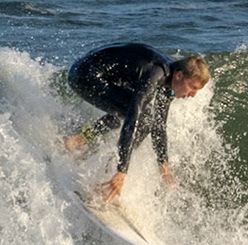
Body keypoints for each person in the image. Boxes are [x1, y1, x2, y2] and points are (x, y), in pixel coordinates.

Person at [64, 43, 211, 202]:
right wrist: (122, 170)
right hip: (85, 75)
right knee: (140, 116)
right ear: (179, 76)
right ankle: (107, 179)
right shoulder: (156, 73)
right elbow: (132, 120)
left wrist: (164, 166)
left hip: (101, 75)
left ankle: (78, 140)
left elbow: (159, 125)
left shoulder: (170, 78)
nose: (193, 95)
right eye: (192, 87)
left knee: (135, 111)